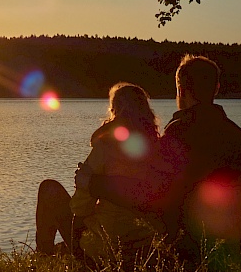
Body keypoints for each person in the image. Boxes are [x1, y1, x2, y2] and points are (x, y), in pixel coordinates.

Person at [80, 55, 241, 263]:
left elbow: (149, 195)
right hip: (227, 253)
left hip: (186, 256)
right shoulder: (239, 137)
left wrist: (94, 183)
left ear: (180, 90)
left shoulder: (179, 133)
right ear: (216, 88)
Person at [35, 82, 166, 259]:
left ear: (115, 110)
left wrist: (83, 181)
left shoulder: (106, 147)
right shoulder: (159, 149)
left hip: (105, 245)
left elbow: (80, 208)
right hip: (144, 243)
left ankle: (43, 257)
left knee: (48, 188)